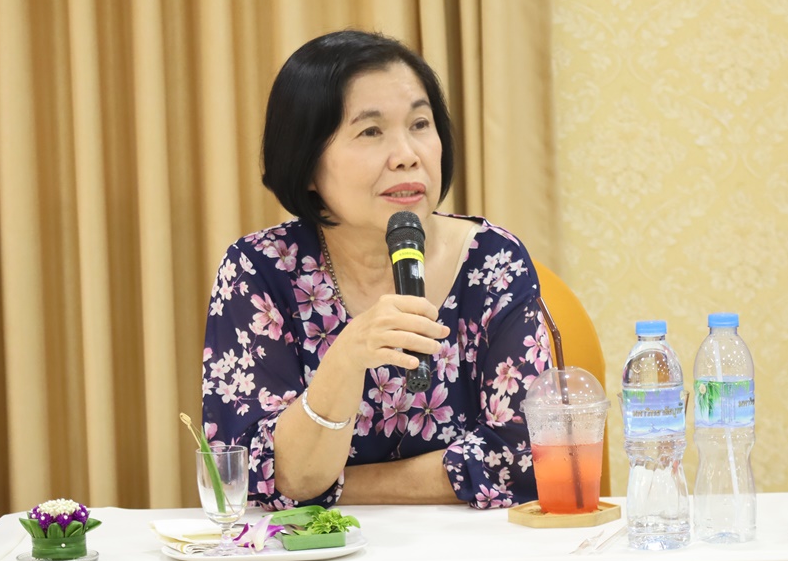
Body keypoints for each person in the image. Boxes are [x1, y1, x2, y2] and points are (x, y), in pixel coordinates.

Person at [201, 29, 551, 510]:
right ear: (306, 161)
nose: (407, 155)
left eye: (420, 124)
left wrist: (334, 487)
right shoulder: (259, 271)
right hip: (315, 553)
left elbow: (521, 459)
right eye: (370, 132)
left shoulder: (493, 261)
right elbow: (249, 471)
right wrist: (345, 360)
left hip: (466, 548)